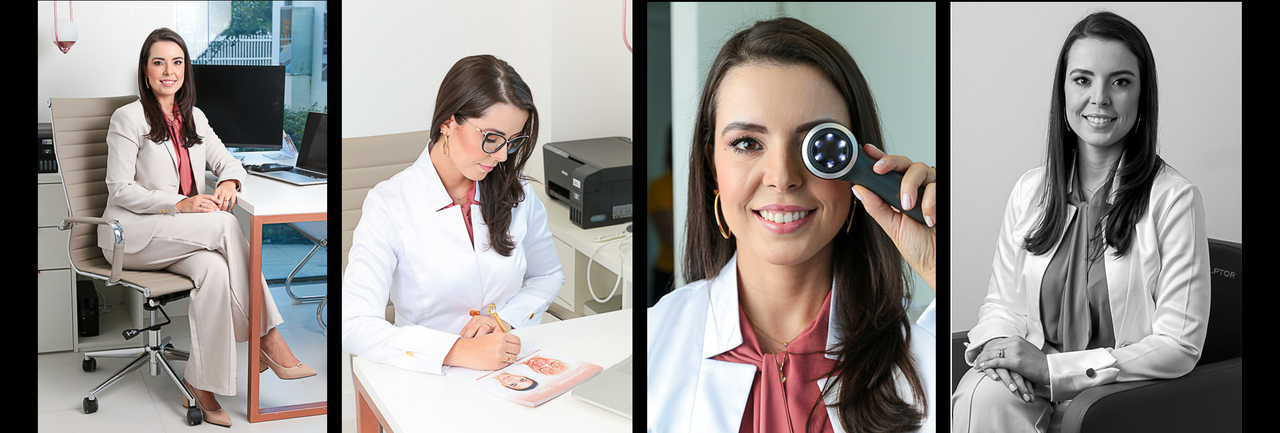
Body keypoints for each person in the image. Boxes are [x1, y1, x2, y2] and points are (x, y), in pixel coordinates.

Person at [648, 17, 937, 433]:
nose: (782, 176)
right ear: (712, 166)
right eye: (747, 143)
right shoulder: (656, 342)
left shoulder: (925, 359)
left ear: (858, 165)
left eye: (816, 144)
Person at [950, 11, 1210, 432]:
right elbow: (1002, 303)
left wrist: (1053, 370)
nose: (1100, 98)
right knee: (982, 397)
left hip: (1115, 394)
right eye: (1083, 80)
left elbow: (1178, 345)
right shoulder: (1029, 191)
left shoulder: (1175, 199)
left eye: (1120, 82)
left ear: (1142, 95)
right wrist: (1002, 351)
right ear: (1063, 91)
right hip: (1030, 384)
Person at [101, 27, 314, 428]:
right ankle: (267, 337)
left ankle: (201, 386)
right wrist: (180, 203)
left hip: (178, 237)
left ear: (186, 70)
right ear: (145, 70)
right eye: (159, 62)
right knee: (224, 225)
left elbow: (227, 162)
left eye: (177, 62)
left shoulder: (193, 117)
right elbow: (120, 188)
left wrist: (232, 181)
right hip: (133, 235)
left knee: (215, 272)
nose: (169, 71)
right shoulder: (128, 118)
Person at [342, 55, 564, 375]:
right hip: (428, 371)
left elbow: (547, 276)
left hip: (513, 362)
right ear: (448, 122)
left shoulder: (519, 194)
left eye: (512, 142)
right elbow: (354, 325)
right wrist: (458, 350)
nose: (501, 156)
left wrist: (504, 320)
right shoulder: (389, 204)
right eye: (491, 138)